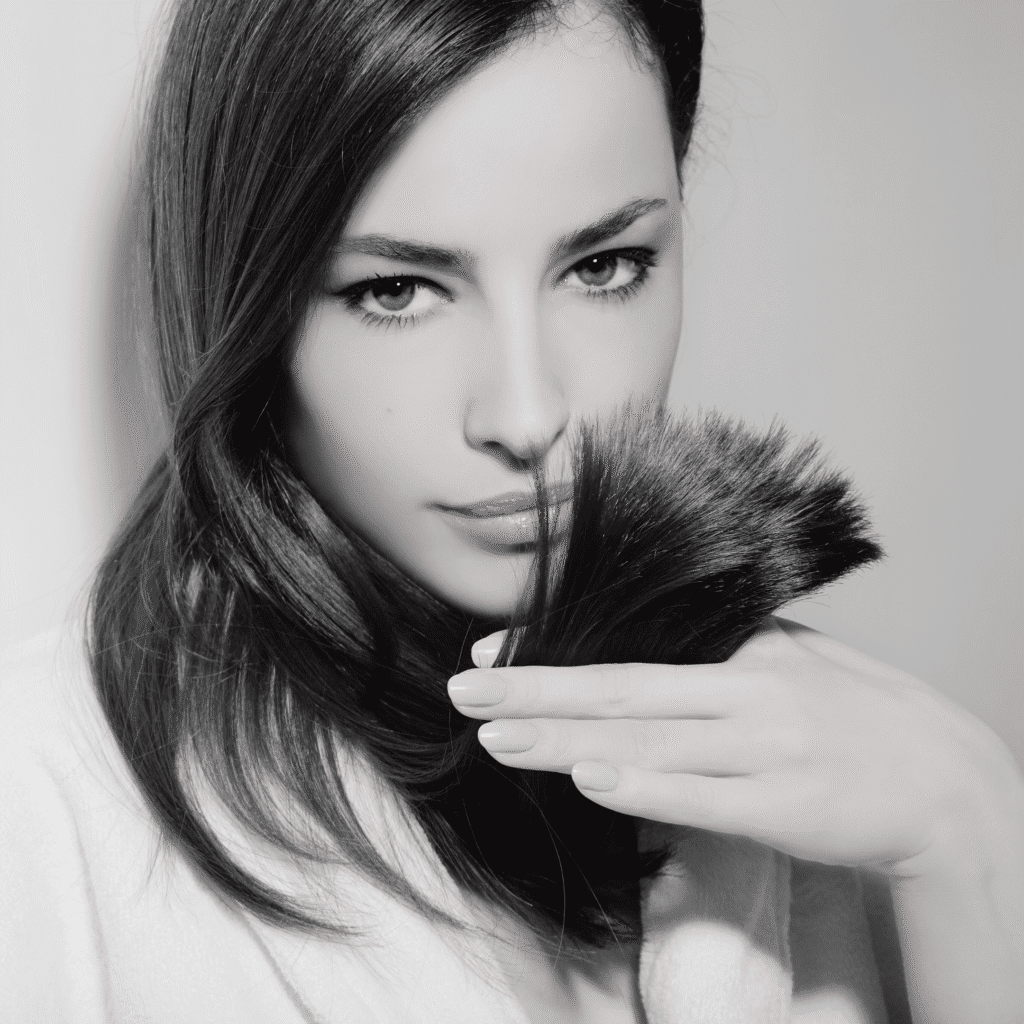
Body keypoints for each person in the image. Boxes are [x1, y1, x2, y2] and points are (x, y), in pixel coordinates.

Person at [2, 0, 1022, 1021]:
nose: (530, 415)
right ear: (245, 290)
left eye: (602, 267)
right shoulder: (41, 817)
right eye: (397, 289)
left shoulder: (792, 779)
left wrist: (968, 831)